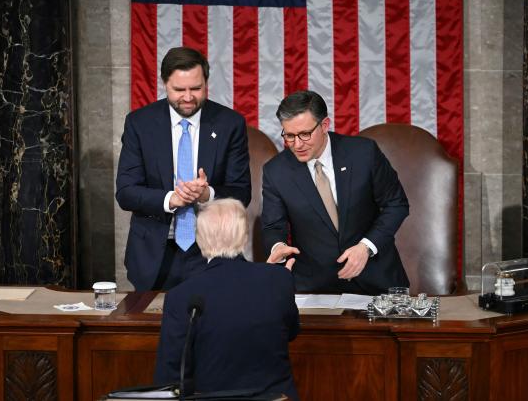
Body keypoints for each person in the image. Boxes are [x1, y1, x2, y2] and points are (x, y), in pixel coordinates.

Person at [116, 47, 251, 291]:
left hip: (213, 250)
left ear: (206, 83)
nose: (188, 97)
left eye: (196, 89)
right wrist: (172, 198)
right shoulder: (139, 123)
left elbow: (241, 192)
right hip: (155, 256)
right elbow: (126, 192)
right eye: (179, 90)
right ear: (164, 83)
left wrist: (206, 194)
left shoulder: (230, 124)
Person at [261, 90, 410, 294]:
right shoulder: (276, 171)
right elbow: (272, 225)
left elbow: (396, 204)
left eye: (304, 134)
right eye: (289, 136)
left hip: (375, 280)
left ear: (324, 125)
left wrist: (366, 246)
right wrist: (277, 246)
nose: (297, 144)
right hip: (313, 287)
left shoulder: (363, 153)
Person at [154, 199, 299, 400]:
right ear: (244, 236)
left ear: (200, 239)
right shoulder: (279, 279)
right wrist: (272, 278)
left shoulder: (180, 296)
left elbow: (168, 377)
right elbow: (291, 332)